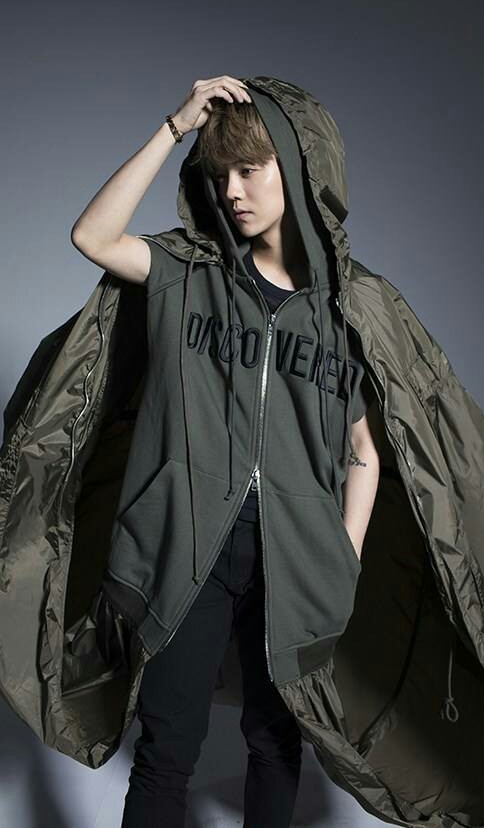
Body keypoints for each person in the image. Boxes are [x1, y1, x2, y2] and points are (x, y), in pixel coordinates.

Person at [71, 74, 380, 828]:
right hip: (189, 549)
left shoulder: (346, 309)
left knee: (275, 742)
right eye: (221, 174)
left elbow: (365, 448)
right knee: (167, 748)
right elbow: (93, 237)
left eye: (250, 169)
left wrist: (341, 555)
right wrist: (174, 126)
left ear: (295, 169)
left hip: (294, 560)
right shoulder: (187, 273)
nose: (233, 190)